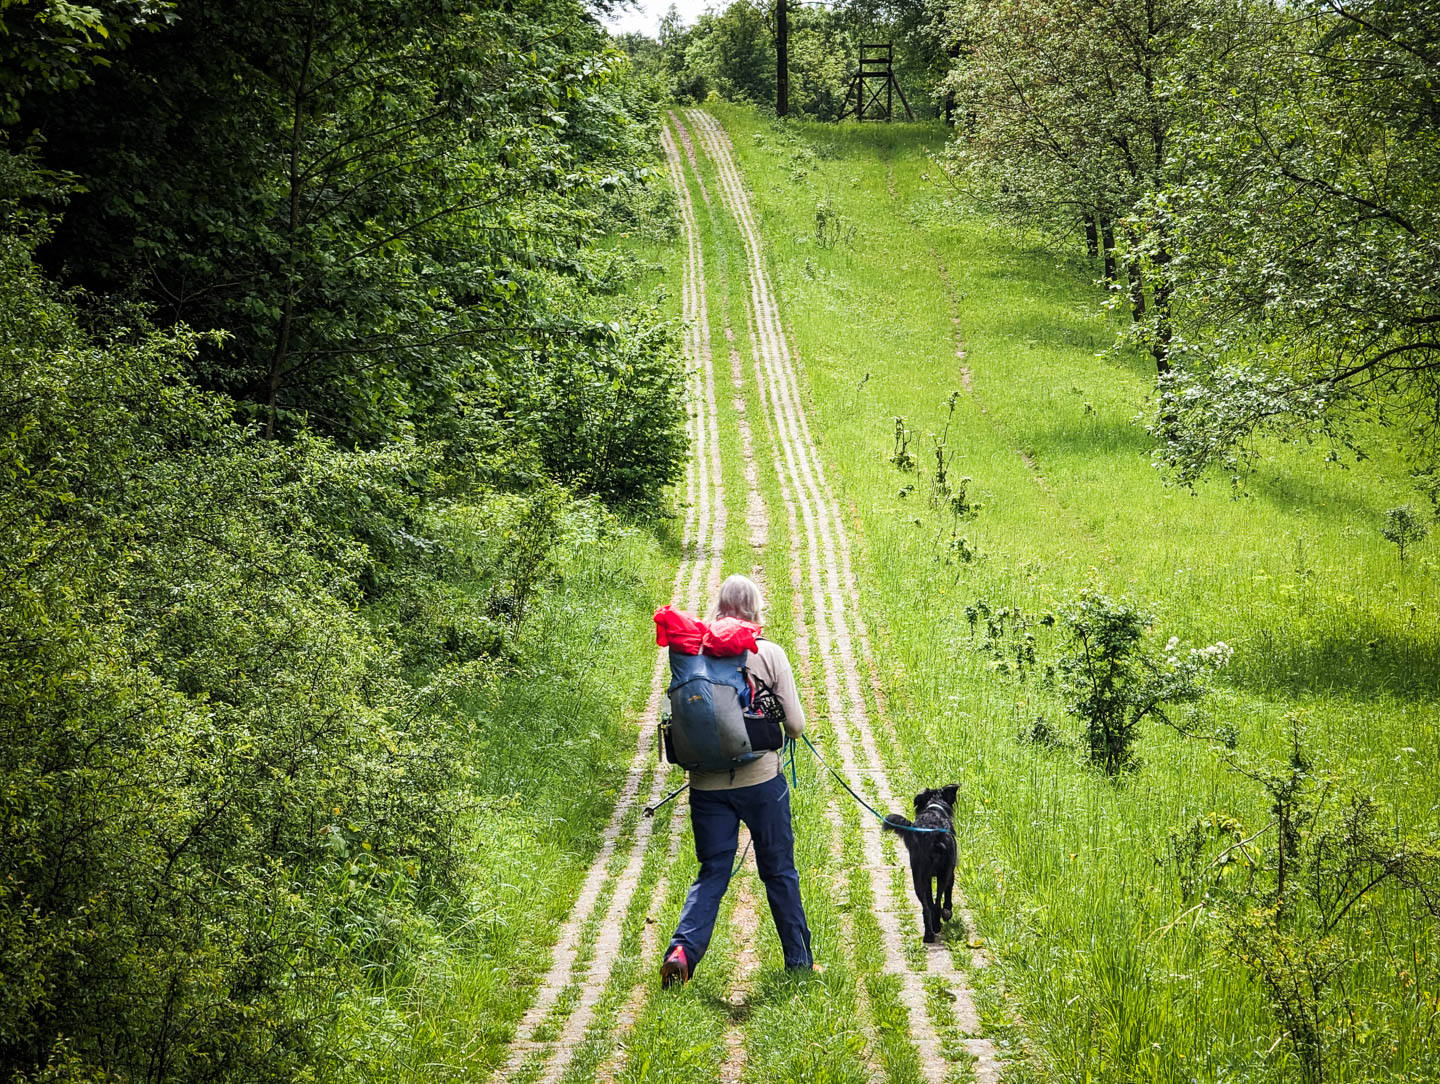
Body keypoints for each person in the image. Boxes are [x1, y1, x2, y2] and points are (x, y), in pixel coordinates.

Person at [661, 573, 814, 987]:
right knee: (779, 870)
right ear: (755, 608)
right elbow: (796, 726)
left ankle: (681, 952)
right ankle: (799, 963)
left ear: (718, 606)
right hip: (762, 782)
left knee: (713, 871)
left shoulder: (691, 654)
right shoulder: (768, 652)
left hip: (706, 786)